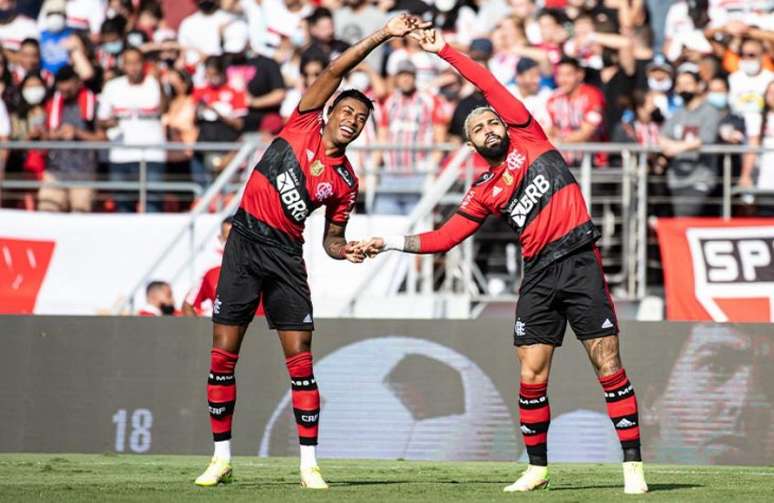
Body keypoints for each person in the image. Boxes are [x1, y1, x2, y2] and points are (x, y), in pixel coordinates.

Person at [361, 27, 648, 495]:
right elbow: (443, 238)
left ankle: (632, 468)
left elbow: (490, 86)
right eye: (478, 129)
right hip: (537, 276)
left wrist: (446, 52)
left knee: (608, 363)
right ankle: (537, 467)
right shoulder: (482, 190)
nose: (490, 128)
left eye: (492, 122)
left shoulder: (527, 135)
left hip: (578, 261)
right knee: (531, 374)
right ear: (471, 146)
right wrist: (387, 241)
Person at [193, 13, 429, 490]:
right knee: (223, 357)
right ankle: (221, 459)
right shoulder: (301, 124)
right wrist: (384, 34)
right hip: (244, 244)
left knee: (300, 361)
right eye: (347, 112)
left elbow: (331, 241)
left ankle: (309, 465)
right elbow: (334, 72)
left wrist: (349, 252)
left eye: (361, 120)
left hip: (285, 258)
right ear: (328, 111)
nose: (353, 121)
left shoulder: (346, 183)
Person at [98, 47, 166, 212]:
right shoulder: (112, 87)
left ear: (143, 64)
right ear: (123, 65)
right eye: (129, 63)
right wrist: (110, 123)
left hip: (152, 154)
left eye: (137, 62)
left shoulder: (154, 83)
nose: (133, 67)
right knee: (123, 205)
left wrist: (160, 84)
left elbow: (165, 110)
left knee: (153, 204)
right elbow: (101, 120)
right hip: (121, 155)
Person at [658, 63, 722, 217]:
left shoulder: (709, 111)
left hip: (699, 178)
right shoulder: (678, 112)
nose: (683, 88)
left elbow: (705, 138)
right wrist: (670, 146)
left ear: (699, 85)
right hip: (676, 178)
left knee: (685, 218)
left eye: (688, 84)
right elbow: (662, 136)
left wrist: (676, 148)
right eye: (679, 84)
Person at [38, 65, 104, 212]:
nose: (64, 90)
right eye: (61, 85)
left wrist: (77, 133)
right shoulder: (52, 105)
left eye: (67, 84)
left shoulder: (93, 104)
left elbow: (102, 139)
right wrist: (52, 135)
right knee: (46, 212)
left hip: (83, 173)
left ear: (77, 82)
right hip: (55, 172)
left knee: (79, 218)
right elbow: (44, 137)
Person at [182, 217, 264, 317]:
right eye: (227, 238)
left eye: (237, 238)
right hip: (227, 329)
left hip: (260, 329)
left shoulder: (264, 266)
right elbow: (188, 305)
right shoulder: (211, 272)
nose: (232, 243)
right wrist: (200, 332)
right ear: (220, 239)